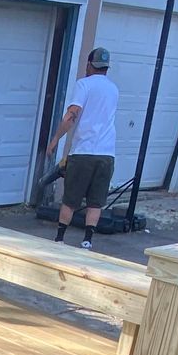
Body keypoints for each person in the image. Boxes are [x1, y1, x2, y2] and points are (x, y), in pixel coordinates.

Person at [44, 47, 119, 249]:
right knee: (96, 201)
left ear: (89, 65)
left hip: (84, 151)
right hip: (106, 153)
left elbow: (72, 114)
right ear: (106, 68)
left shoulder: (84, 85)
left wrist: (55, 139)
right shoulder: (113, 89)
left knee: (71, 198)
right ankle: (87, 240)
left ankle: (60, 238)